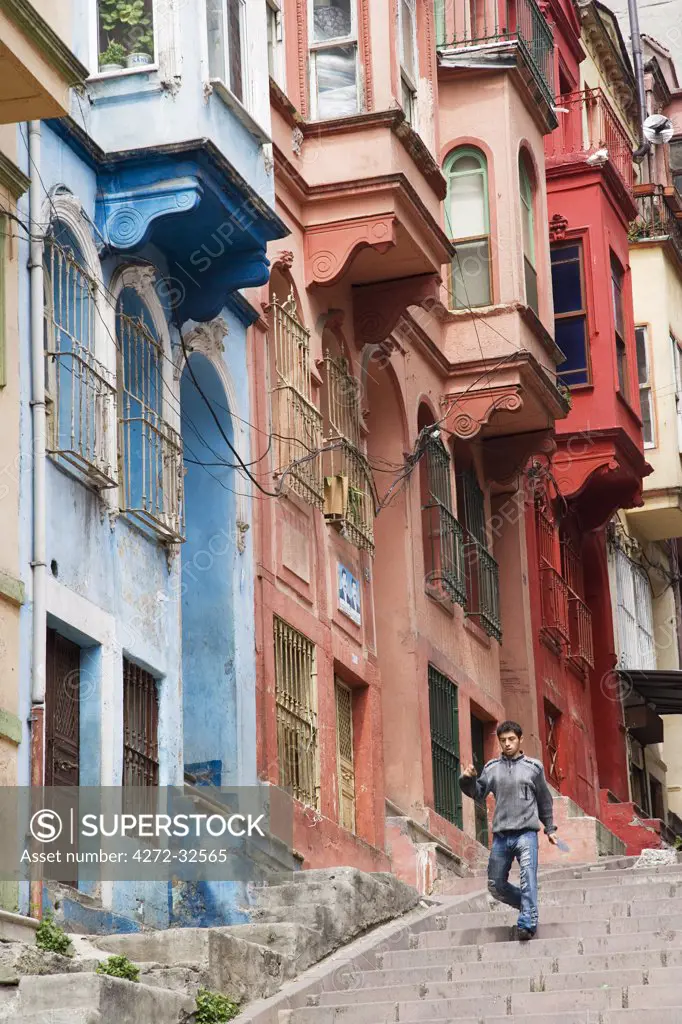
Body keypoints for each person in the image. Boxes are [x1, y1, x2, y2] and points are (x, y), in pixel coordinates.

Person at [459, 720, 559, 941]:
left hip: (526, 834)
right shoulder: (491, 768)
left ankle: (527, 924)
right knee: (496, 886)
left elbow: (544, 800)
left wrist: (550, 828)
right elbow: (478, 793)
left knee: (527, 877)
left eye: (511, 739)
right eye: (503, 740)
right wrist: (467, 780)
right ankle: (528, 906)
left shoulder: (534, 768)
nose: (507, 744)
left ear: (520, 740)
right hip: (501, 837)